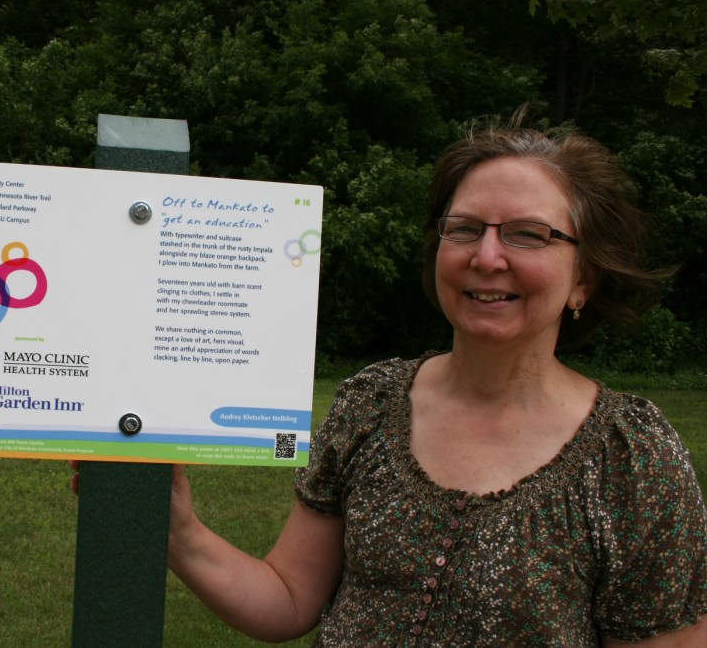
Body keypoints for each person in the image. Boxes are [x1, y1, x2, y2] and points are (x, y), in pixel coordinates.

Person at [151, 112, 707, 646]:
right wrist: (180, 535)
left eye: (528, 235)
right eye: (464, 229)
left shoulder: (632, 458)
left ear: (583, 278)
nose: (487, 257)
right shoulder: (370, 403)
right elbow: (291, 597)